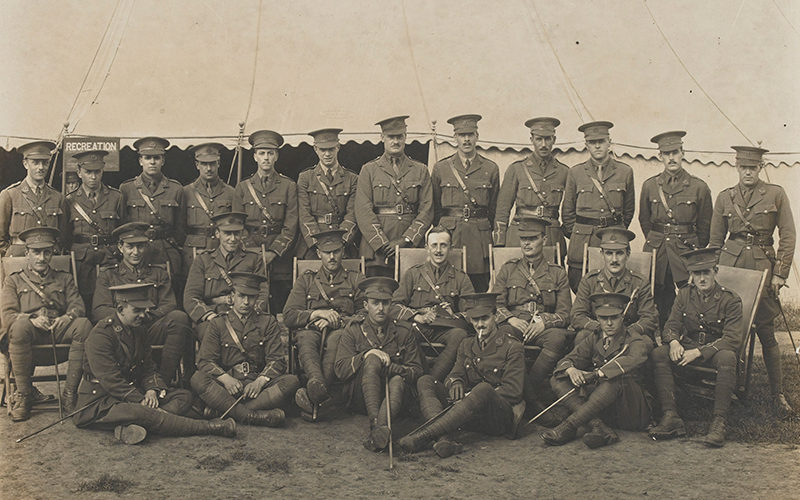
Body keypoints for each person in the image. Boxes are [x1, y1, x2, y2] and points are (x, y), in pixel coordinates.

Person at [73, 283, 236, 444]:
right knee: (145, 412)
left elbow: (148, 367)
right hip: (101, 402)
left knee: (183, 396)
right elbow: (112, 382)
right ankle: (212, 427)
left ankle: (138, 424)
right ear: (120, 309)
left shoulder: (139, 329)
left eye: (144, 310)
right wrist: (141, 400)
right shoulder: (101, 335)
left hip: (131, 393)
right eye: (137, 310)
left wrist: (152, 389)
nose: (143, 315)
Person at [709, 145, 796, 416]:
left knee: (767, 332)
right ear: (736, 167)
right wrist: (714, 272)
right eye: (744, 167)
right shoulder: (725, 197)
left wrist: (780, 273)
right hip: (730, 268)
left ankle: (777, 395)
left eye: (753, 167)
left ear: (760, 167)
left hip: (762, 269)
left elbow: (788, 235)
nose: (748, 172)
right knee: (730, 330)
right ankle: (727, 388)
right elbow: (715, 240)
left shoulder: (775, 193)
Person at [397, 292, 526, 457]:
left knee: (483, 389)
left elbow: (513, 391)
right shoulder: (467, 344)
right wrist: (455, 382)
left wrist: (474, 394)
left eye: (484, 318)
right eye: (475, 320)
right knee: (426, 380)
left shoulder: (512, 347)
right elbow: (454, 374)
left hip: (496, 417)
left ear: (495, 316)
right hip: (466, 414)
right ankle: (443, 440)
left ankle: (423, 436)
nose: (480, 324)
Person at [649, 247, 743, 447]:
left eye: (706, 272)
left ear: (715, 272)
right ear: (691, 275)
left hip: (715, 351)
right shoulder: (684, 295)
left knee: (728, 357)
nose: (702, 279)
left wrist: (699, 352)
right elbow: (671, 325)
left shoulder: (730, 299)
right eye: (697, 273)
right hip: (687, 345)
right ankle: (670, 416)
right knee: (659, 353)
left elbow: (733, 338)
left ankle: (719, 422)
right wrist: (673, 341)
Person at [1, 227, 93, 420]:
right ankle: (24, 396)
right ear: (27, 253)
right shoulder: (14, 281)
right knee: (18, 326)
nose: (41, 258)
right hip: (28, 337)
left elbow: (78, 307)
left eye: (46, 252)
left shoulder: (64, 278)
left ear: (53, 253)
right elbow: (7, 315)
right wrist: (31, 319)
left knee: (83, 325)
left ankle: (69, 395)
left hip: (58, 332)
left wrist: (67, 317)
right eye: (36, 252)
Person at [541, 293, 652, 449]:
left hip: (630, 410)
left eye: (614, 318)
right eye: (603, 318)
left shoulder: (633, 339)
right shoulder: (594, 338)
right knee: (558, 380)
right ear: (597, 319)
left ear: (622, 317)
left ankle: (569, 426)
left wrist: (598, 373)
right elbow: (566, 361)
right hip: (601, 407)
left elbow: (635, 358)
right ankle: (599, 426)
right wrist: (572, 370)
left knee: (612, 380)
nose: (609, 323)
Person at [190, 272, 299, 427]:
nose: (246, 302)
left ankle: (224, 412)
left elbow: (277, 360)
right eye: (241, 296)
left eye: (252, 297)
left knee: (291, 381)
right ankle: (253, 416)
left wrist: (259, 382)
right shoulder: (218, 324)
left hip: (256, 388)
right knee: (197, 379)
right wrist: (226, 379)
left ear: (257, 298)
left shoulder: (267, 322)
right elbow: (205, 361)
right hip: (227, 388)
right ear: (232, 296)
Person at [492, 217, 570, 422]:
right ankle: (534, 401)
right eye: (523, 238)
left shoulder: (557, 273)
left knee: (558, 339)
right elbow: (494, 304)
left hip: (542, 326)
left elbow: (565, 313)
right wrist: (509, 319)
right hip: (515, 322)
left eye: (533, 238)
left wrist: (544, 322)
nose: (526, 243)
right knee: (504, 338)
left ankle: (526, 393)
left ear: (544, 239)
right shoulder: (509, 269)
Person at [93, 222, 191, 383]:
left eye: (140, 247)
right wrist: (126, 317)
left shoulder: (158, 273)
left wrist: (147, 315)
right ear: (120, 247)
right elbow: (99, 310)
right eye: (130, 247)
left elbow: (170, 304)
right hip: (122, 332)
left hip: (150, 328)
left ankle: (162, 382)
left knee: (179, 318)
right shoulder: (109, 275)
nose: (135, 252)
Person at [334, 277, 423, 452]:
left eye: (385, 303)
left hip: (396, 399)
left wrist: (397, 369)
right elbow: (340, 370)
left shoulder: (405, 331)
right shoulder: (353, 330)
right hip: (362, 397)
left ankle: (377, 430)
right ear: (366, 305)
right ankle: (375, 423)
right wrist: (367, 355)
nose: (381, 308)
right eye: (375, 303)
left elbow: (417, 371)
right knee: (372, 358)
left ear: (391, 304)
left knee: (397, 380)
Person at [284, 229, 365, 419]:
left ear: (343, 252)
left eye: (336, 251)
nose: (332, 257)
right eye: (327, 252)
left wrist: (339, 320)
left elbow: (365, 313)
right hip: (312, 329)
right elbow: (288, 315)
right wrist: (316, 313)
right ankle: (317, 385)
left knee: (338, 338)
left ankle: (315, 395)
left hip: (342, 332)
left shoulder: (355, 278)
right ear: (318, 253)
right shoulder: (307, 280)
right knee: (304, 338)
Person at [639, 131, 712, 327]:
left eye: (675, 152)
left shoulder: (699, 187)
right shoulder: (649, 186)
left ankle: (690, 335)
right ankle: (665, 337)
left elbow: (705, 226)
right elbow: (645, 220)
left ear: (683, 153)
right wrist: (657, 240)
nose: (671, 158)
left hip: (685, 249)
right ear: (660, 156)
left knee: (690, 294)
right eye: (666, 153)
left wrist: (693, 247)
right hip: (658, 249)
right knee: (660, 295)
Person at [391, 226, 474, 381]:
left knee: (461, 335)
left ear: (451, 247)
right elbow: (394, 306)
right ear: (426, 248)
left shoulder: (461, 278)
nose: (438, 250)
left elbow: (472, 312)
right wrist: (416, 316)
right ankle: (421, 378)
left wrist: (453, 315)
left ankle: (431, 380)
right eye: (434, 245)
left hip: (446, 329)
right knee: (404, 332)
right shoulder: (413, 274)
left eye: (443, 245)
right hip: (418, 327)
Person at [354, 116, 433, 277]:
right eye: (391, 137)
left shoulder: (420, 169)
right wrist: (381, 243)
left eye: (399, 137)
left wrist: (407, 239)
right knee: (378, 294)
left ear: (406, 137)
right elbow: (363, 211)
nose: (395, 141)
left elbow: (427, 209)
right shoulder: (369, 170)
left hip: (410, 247)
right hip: (376, 251)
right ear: (382, 138)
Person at [562, 121, 635, 291]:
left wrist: (615, 229)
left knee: (615, 286)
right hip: (583, 240)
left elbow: (629, 210)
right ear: (586, 145)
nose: (597, 146)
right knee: (579, 285)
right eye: (592, 143)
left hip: (613, 238)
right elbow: (567, 212)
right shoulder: (576, 172)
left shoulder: (625, 171)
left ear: (609, 142)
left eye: (601, 141)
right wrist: (579, 232)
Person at [431, 114, 499, 291]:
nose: (466, 139)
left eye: (470, 134)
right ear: (455, 137)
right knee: (449, 286)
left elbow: (494, 208)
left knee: (478, 289)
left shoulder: (490, 168)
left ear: (477, 136)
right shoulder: (441, 168)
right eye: (462, 135)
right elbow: (435, 208)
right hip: (452, 237)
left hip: (479, 240)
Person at [233, 129, 298, 313]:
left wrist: (273, 253)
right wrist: (253, 252)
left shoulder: (288, 186)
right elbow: (238, 224)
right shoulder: (243, 188)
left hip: (279, 257)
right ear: (254, 157)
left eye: (270, 153)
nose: (266, 158)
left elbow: (291, 224)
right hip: (250, 255)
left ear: (276, 156)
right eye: (261, 153)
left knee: (280, 304)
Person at [183, 211, 268, 342]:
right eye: (227, 233)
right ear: (217, 234)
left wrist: (248, 315)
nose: (233, 239)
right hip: (213, 316)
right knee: (210, 333)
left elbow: (262, 293)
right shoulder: (203, 260)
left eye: (237, 233)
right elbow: (191, 297)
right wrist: (209, 315)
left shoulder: (254, 260)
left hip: (246, 315)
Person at [119, 136, 187, 294]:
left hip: (166, 251)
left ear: (163, 160)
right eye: (147, 157)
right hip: (138, 252)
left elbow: (180, 227)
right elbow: (122, 224)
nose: (152, 162)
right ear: (140, 161)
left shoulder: (175, 189)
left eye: (156, 157)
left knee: (169, 291)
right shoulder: (127, 189)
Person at [494, 117, 568, 260]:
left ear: (554, 139)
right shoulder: (517, 169)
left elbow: (570, 208)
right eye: (539, 139)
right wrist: (500, 241)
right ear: (532, 139)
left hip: (550, 234)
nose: (543, 144)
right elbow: (502, 208)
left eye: (548, 139)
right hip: (520, 233)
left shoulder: (564, 172)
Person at [571, 227, 658, 345]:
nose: (614, 259)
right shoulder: (589, 281)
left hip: (629, 337)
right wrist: (602, 328)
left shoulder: (640, 282)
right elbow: (577, 315)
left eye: (619, 253)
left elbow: (649, 318)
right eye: (609, 253)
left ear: (628, 254)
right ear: (602, 254)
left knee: (645, 343)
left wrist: (626, 332)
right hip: (598, 335)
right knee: (582, 337)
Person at [66, 150, 123, 310]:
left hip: (109, 258)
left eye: (97, 172)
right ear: (79, 172)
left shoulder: (116, 197)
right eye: (88, 172)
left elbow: (122, 230)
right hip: (82, 261)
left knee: (110, 300)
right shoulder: (69, 201)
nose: (93, 176)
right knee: (83, 300)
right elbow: (65, 236)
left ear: (103, 170)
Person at [296, 128, 359, 259]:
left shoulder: (352, 178)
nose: (327, 154)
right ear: (315, 149)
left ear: (338, 147)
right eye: (323, 150)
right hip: (313, 246)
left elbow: (352, 214)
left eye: (331, 149)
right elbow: (304, 214)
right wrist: (317, 243)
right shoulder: (305, 178)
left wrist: (342, 242)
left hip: (343, 243)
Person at [0, 140, 69, 256]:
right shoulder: (10, 195)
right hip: (19, 260)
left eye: (45, 162)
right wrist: (10, 254)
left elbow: (63, 237)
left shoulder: (58, 198)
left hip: (48, 262)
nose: (41, 167)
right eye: (35, 162)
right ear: (25, 163)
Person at [182, 142, 234, 274]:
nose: (208, 168)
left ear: (218, 163)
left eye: (212, 163)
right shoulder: (186, 192)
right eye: (204, 164)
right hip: (193, 251)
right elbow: (179, 227)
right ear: (197, 165)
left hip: (222, 249)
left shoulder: (230, 192)